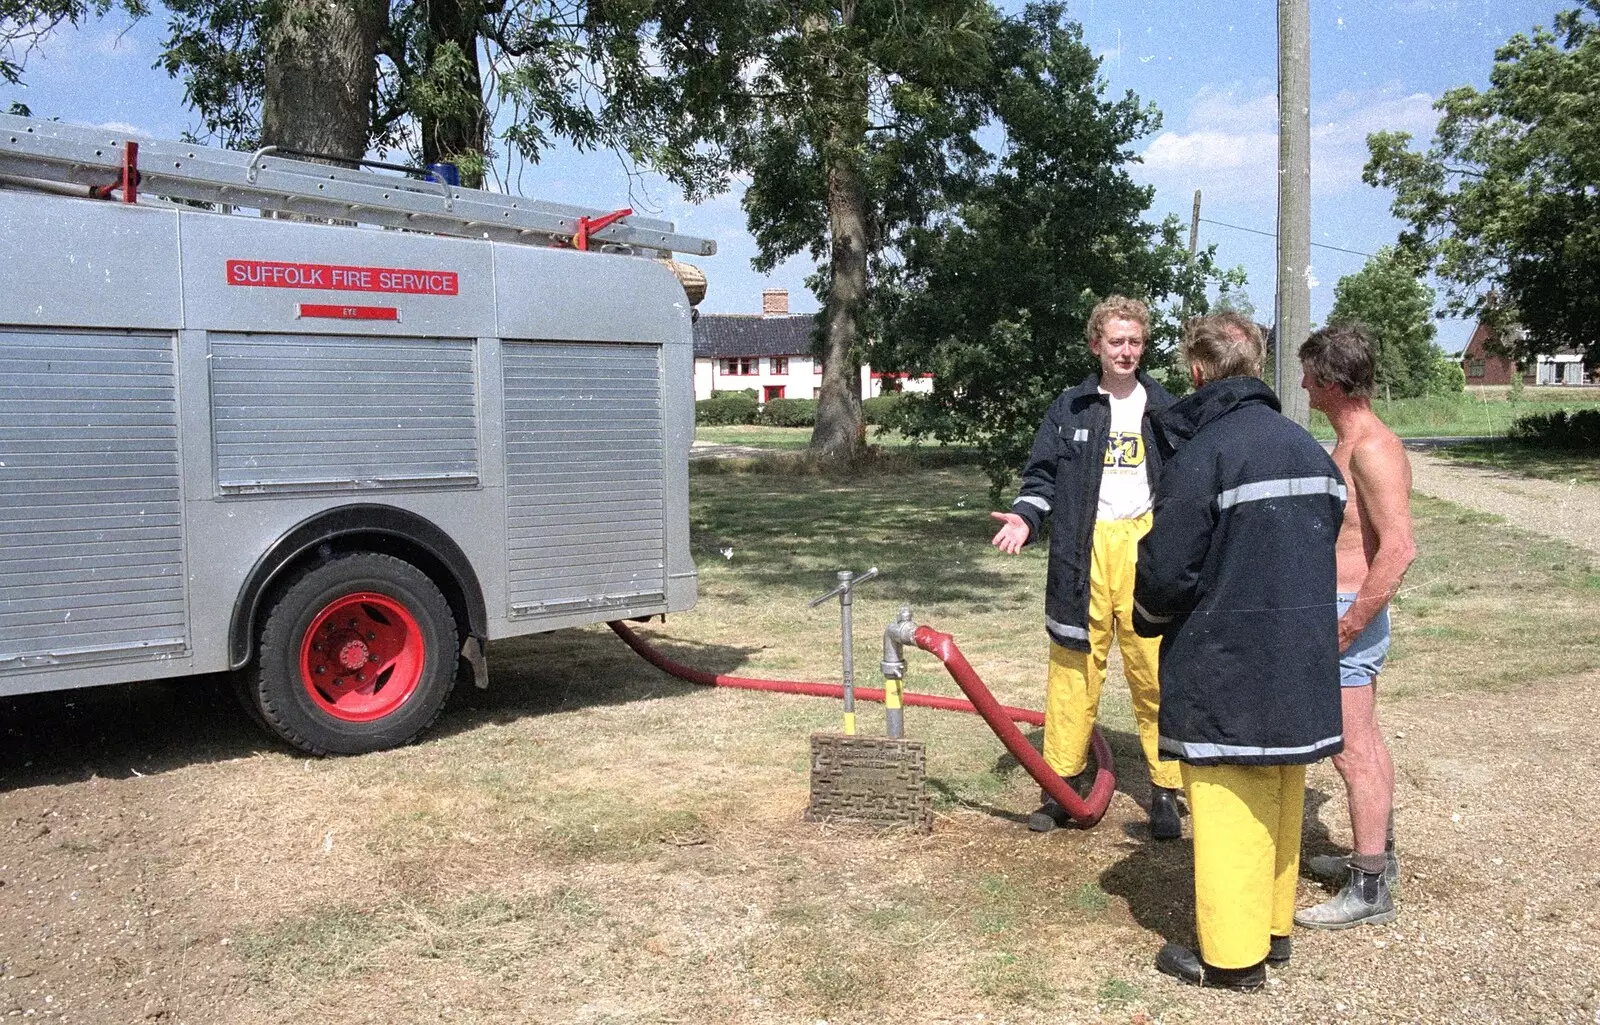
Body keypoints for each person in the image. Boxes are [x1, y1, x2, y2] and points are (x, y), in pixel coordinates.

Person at [1132, 312, 1346, 991]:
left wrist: (1146, 615)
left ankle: (1231, 958)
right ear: (1255, 364)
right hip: (1299, 659)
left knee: (1227, 807)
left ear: (1196, 371)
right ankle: (1273, 931)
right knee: (1282, 791)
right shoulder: (1306, 446)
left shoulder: (1205, 453)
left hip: (1228, 662)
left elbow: (1167, 567)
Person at [990, 295, 1184, 839]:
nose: (1126, 352)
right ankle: (1063, 783)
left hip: (1146, 552)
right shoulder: (1070, 408)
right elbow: (1042, 479)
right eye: (1116, 342)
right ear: (1096, 345)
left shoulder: (1164, 408)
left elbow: (1185, 487)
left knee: (1154, 671)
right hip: (1082, 552)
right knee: (1074, 668)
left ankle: (1166, 790)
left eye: (1135, 342)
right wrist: (1027, 520)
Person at [1293, 323, 1417, 931]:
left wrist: (1348, 626)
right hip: (1336, 609)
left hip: (1349, 613)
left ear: (1334, 381)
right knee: (1362, 743)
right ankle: (1376, 859)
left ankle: (1369, 888)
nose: (1303, 385)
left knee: (1352, 751)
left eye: (1310, 375)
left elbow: (1397, 550)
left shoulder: (1371, 448)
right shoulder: (1346, 442)